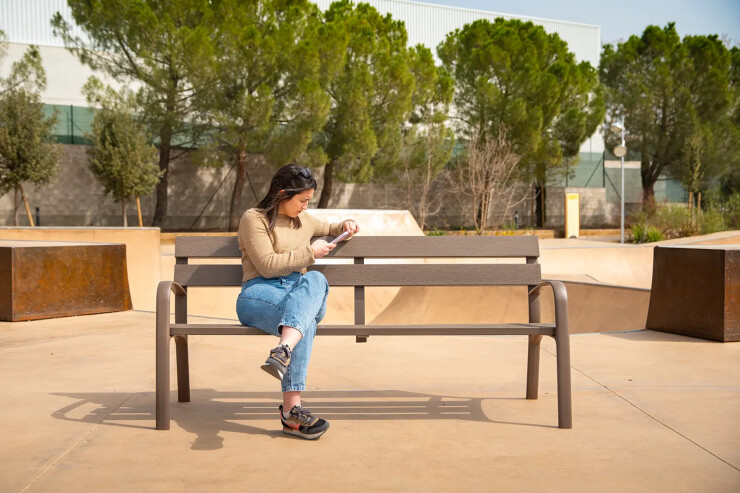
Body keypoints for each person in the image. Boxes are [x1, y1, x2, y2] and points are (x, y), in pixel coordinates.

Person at [236, 163, 359, 440]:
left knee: (315, 281)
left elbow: (331, 226)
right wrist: (309, 253)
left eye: (308, 201)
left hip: (298, 294)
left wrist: (346, 225)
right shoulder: (253, 219)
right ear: (282, 194)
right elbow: (267, 266)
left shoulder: (304, 220)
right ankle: (293, 413)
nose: (306, 206)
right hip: (259, 294)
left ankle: (282, 350)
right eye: (302, 200)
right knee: (303, 323)